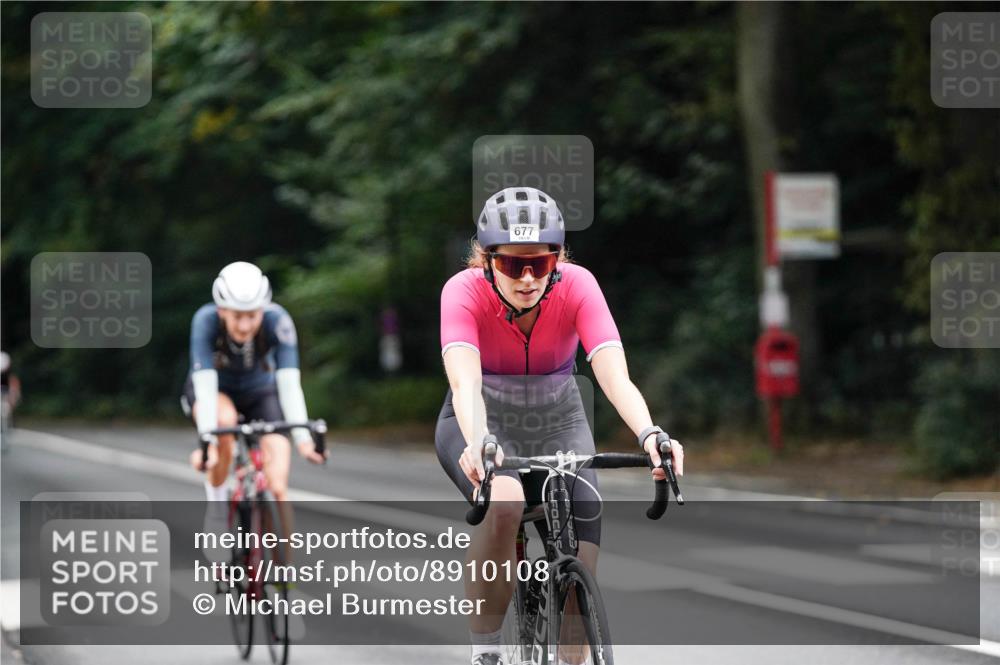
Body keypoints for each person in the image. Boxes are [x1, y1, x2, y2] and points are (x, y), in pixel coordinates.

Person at [436, 187, 684, 665]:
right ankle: (485, 653)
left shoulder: (578, 286)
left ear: (558, 259)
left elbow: (614, 375)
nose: (528, 278)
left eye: (542, 263)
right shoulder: (461, 292)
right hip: (481, 420)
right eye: (513, 265)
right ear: (487, 261)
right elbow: (466, 384)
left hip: (559, 421)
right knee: (505, 503)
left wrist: (651, 434)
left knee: (578, 588)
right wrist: (479, 442)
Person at [183, 262, 326, 534]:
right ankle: (217, 514)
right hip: (217, 391)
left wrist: (304, 441)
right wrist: (208, 441)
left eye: (252, 315)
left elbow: (289, 383)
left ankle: (285, 572)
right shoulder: (205, 320)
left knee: (278, 484)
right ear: (222, 310)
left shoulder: (278, 320)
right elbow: (204, 383)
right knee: (222, 426)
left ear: (263, 309)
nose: (245, 325)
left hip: (260, 391)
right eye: (237, 316)